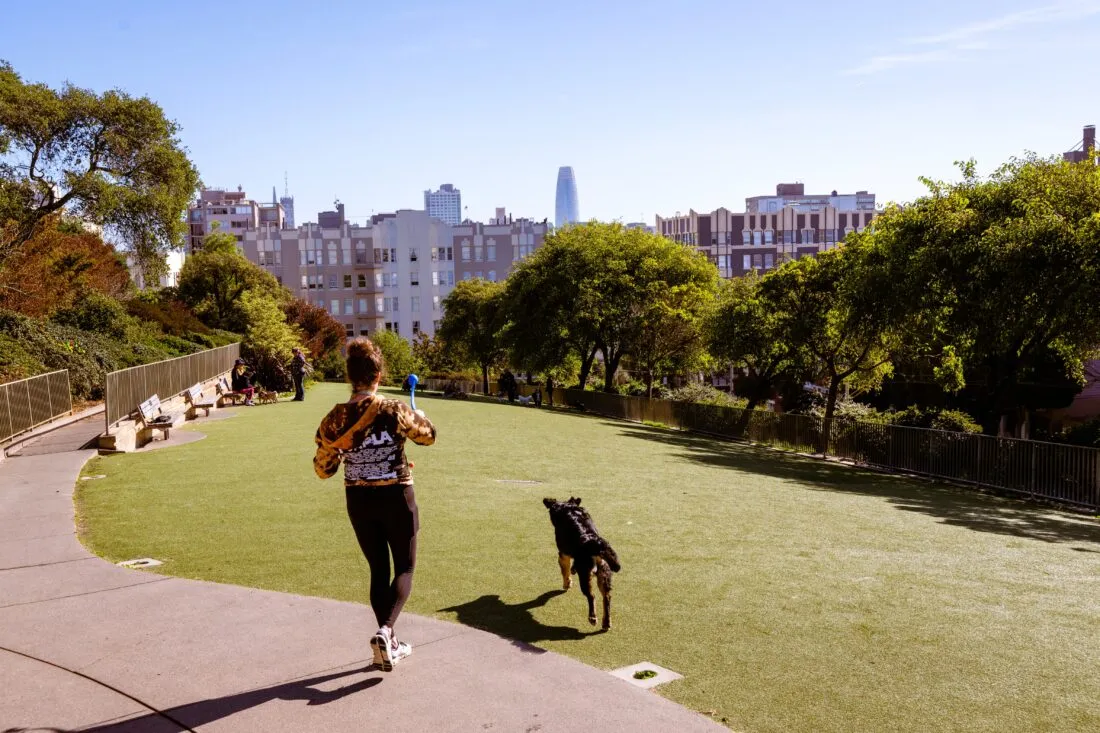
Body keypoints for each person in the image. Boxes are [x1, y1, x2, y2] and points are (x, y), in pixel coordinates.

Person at [313, 337, 437, 671]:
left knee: (378, 570)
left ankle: (389, 642)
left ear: (349, 377)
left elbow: (323, 470)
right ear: (378, 374)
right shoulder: (396, 409)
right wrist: (420, 416)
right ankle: (386, 631)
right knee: (405, 568)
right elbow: (429, 436)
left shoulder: (334, 419)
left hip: (359, 499)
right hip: (397, 495)